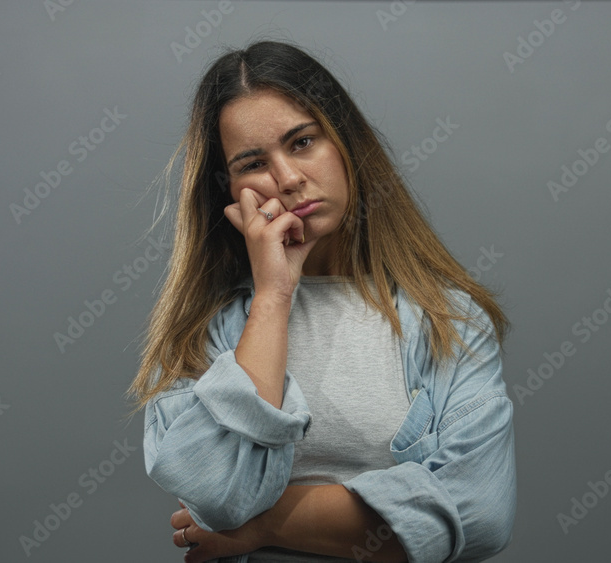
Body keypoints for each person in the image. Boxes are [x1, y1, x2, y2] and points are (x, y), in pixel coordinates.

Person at [127, 39, 516, 563]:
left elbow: (481, 512)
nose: (288, 179)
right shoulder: (202, 331)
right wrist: (273, 297)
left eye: (303, 142)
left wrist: (264, 522)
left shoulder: (450, 319)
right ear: (229, 189)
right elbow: (214, 493)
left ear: (345, 143)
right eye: (253, 163)